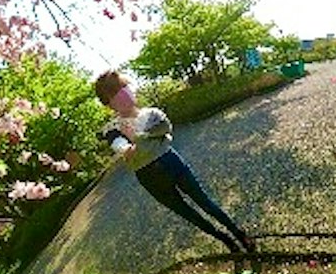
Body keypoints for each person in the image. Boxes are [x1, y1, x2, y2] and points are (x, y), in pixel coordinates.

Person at [94, 65, 263, 262]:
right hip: (149, 177)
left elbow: (164, 129)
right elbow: (117, 143)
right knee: (190, 215)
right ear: (108, 103)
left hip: (170, 161)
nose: (122, 94)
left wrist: (137, 137)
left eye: (123, 87)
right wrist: (126, 148)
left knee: (204, 202)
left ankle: (239, 233)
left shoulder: (151, 114)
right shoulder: (114, 127)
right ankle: (227, 241)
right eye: (114, 93)